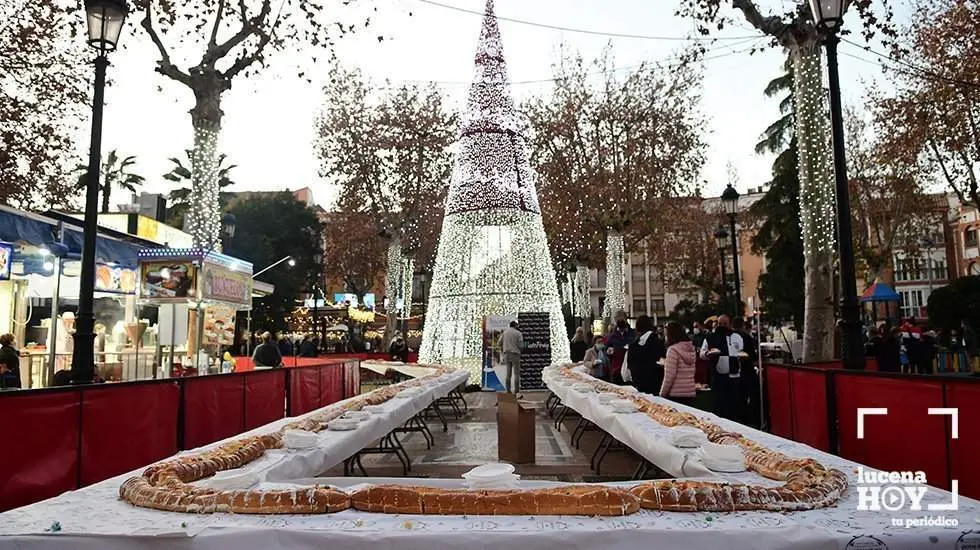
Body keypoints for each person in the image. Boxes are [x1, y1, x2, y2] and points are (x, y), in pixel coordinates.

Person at [700, 314, 744, 421]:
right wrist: (707, 354)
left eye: (725, 324)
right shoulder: (710, 337)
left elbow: (741, 351)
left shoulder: (737, 337)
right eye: (720, 323)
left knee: (733, 406)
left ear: (729, 324)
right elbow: (702, 353)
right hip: (718, 377)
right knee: (719, 405)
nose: (722, 326)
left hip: (734, 376)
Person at [625, 315, 666, 395]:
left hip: (639, 384)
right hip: (656, 383)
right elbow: (663, 362)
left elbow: (630, 365)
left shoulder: (634, 345)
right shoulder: (658, 342)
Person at [660, 321, 696, 406]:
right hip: (689, 391)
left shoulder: (672, 350)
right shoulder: (691, 349)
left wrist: (662, 393)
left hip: (675, 393)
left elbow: (669, 376)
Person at [732, 317, 760, 427]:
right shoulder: (746, 338)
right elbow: (752, 357)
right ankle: (752, 419)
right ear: (743, 325)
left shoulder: (729, 337)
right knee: (752, 396)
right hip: (747, 371)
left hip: (734, 371)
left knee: (739, 397)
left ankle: (740, 418)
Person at [605, 317, 636, 385]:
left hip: (629, 366)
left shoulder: (632, 334)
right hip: (617, 366)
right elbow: (607, 349)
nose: (622, 330)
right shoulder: (612, 336)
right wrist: (609, 352)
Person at [501, 321, 523, 395]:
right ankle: (516, 392)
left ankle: (508, 391)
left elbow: (498, 343)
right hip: (515, 354)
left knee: (508, 374)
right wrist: (521, 350)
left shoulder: (505, 332)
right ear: (515, 326)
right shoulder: (518, 333)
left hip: (506, 354)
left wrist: (504, 348)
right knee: (516, 374)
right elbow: (521, 345)